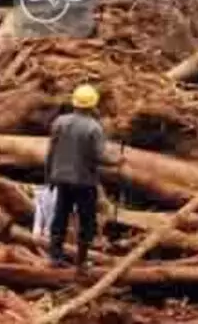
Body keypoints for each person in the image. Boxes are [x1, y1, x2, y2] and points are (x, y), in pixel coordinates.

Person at [45, 84, 118, 271]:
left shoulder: (59, 122)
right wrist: (117, 160)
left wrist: (49, 175)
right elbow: (99, 156)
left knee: (60, 216)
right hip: (84, 181)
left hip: (61, 178)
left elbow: (51, 151)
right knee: (87, 221)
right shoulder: (94, 128)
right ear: (93, 105)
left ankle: (55, 257)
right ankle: (82, 261)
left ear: (74, 103)